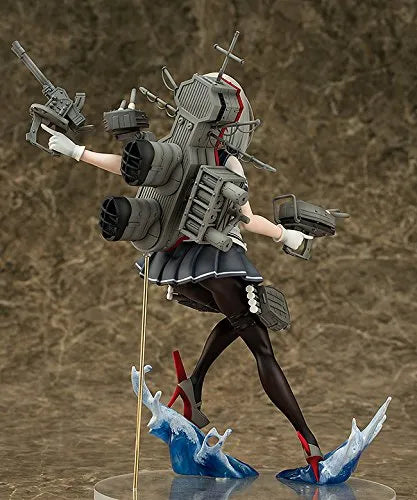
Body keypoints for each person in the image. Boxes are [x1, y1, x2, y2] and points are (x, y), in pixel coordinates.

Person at [40, 74, 324, 480]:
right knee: (261, 347)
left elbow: (132, 169)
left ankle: (193, 385)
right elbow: (246, 218)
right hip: (217, 261)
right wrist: (287, 235)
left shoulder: (174, 148)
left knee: (242, 320)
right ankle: (310, 444)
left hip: (179, 267)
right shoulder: (227, 161)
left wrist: (76, 151)